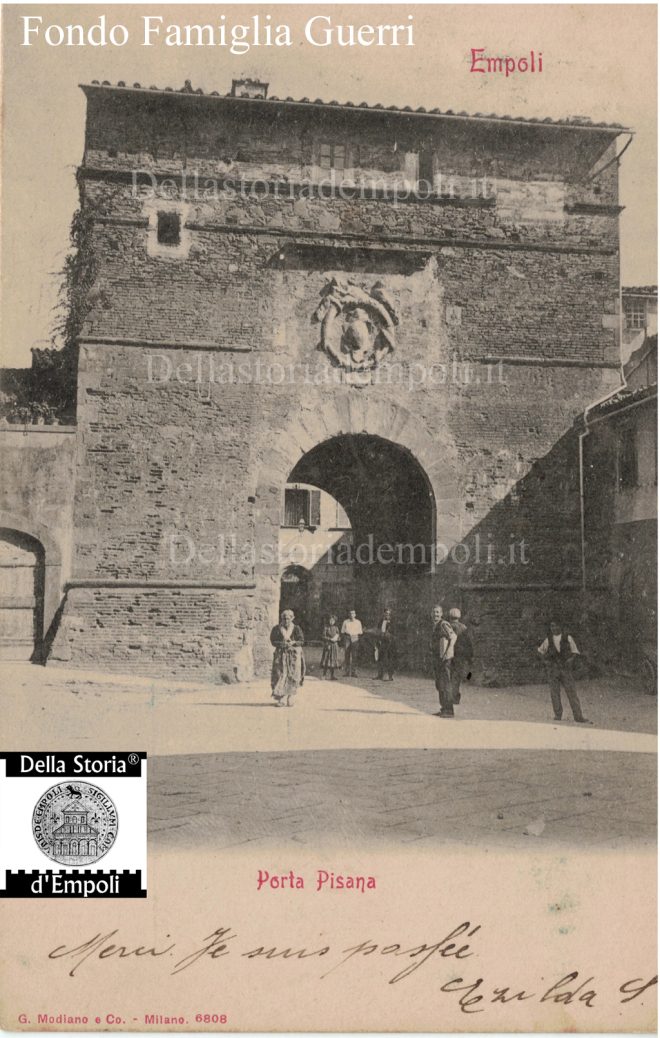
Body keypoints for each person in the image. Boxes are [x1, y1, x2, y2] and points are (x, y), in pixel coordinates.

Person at [537, 620, 592, 724]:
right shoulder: (548, 640)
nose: (553, 628)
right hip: (553, 669)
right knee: (554, 692)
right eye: (552, 626)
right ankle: (558, 715)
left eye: (555, 626)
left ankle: (578, 716)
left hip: (565, 669)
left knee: (571, 692)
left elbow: (575, 652)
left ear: (560, 627)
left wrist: (570, 660)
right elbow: (540, 651)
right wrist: (546, 662)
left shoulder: (568, 638)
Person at [270, 609, 305, 707]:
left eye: (288, 619)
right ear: (281, 619)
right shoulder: (277, 629)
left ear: (292, 618)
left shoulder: (296, 628)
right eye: (284, 619)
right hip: (280, 655)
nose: (286, 621)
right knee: (280, 674)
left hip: (293, 656)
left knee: (292, 675)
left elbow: (301, 640)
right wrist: (282, 644)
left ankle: (290, 697)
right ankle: (281, 698)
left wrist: (294, 642)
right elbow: (273, 641)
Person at [430, 605, 457, 717]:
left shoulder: (443, 624)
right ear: (431, 614)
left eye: (438, 612)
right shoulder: (435, 625)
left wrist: (450, 649)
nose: (436, 615)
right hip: (438, 658)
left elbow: (453, 636)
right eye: (434, 612)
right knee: (440, 684)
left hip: (445, 659)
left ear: (441, 614)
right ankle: (443, 708)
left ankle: (449, 711)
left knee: (445, 683)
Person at [448, 607, 473, 705]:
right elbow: (468, 643)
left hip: (449, 654)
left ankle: (449, 696)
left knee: (449, 676)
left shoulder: (447, 626)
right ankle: (455, 696)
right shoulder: (464, 628)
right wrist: (470, 656)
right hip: (460, 656)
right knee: (456, 677)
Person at [375, 607, 397, 681]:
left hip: (390, 642)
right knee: (380, 658)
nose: (387, 615)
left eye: (389, 614)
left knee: (389, 659)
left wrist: (389, 636)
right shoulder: (381, 621)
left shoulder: (393, 622)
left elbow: (395, 632)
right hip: (382, 641)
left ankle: (390, 676)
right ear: (383, 613)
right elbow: (378, 630)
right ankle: (380, 675)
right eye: (386, 613)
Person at [341, 609, 363, 677]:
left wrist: (355, 637)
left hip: (355, 638)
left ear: (355, 614)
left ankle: (354, 672)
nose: (351, 615)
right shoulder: (345, 622)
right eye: (350, 613)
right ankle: (347, 672)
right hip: (347, 637)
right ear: (348, 614)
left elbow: (360, 632)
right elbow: (342, 631)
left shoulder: (358, 622)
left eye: (353, 613)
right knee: (347, 655)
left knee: (354, 656)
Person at [321, 614, 341, 680]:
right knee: (327, 660)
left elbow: (339, 637)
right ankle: (324, 675)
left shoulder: (336, 628)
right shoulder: (326, 628)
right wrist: (330, 639)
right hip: (328, 645)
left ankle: (332, 675)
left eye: (333, 620)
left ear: (335, 621)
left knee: (333, 660)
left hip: (334, 646)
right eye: (330, 620)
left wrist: (337, 639)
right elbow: (323, 636)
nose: (331, 622)